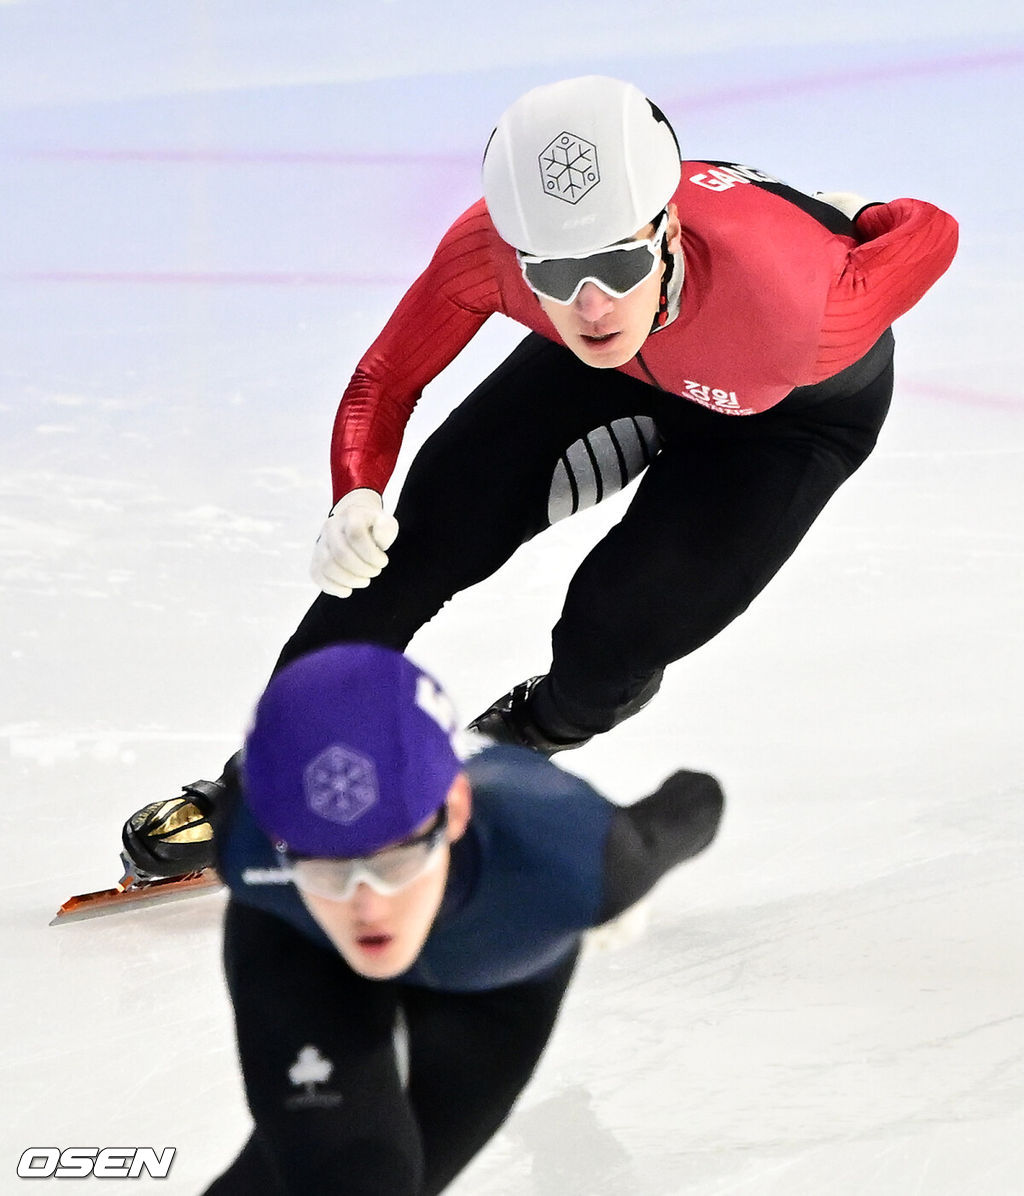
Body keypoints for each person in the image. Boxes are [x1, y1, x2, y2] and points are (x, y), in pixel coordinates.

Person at [120, 73, 957, 879]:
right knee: (412, 549)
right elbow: (387, 377)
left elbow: (932, 230)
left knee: (615, 633)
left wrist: (859, 216)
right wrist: (356, 493)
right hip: (610, 375)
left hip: (783, 425)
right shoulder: (487, 252)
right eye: (553, 274)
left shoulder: (807, 304)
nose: (592, 305)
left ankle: (525, 737)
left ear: (666, 232)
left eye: (618, 267)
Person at [203, 642, 724, 1194]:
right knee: (348, 1173)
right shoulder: (247, 846)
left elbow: (696, 801)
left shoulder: (571, 856)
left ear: (455, 810)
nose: (368, 906)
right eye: (324, 866)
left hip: (495, 988)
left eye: (395, 860)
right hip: (305, 948)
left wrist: (624, 886)